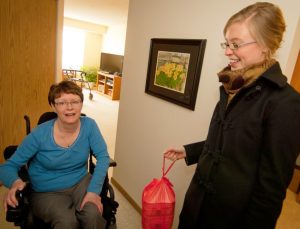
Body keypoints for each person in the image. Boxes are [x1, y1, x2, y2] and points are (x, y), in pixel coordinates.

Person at [164, 2, 300, 229]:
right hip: (196, 205)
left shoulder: (286, 103)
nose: (227, 51)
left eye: (235, 44)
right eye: (226, 43)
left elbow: (270, 192)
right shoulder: (234, 83)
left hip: (229, 218)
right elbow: (233, 146)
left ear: (266, 45)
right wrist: (191, 151)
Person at [0, 80, 110, 229]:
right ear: (53, 106)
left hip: (80, 183)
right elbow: (7, 166)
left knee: (92, 214)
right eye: (62, 102)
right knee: (66, 222)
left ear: (81, 104)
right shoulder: (39, 134)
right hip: (47, 191)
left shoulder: (89, 126)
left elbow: (103, 157)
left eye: (75, 101)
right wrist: (15, 182)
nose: (70, 107)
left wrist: (93, 192)